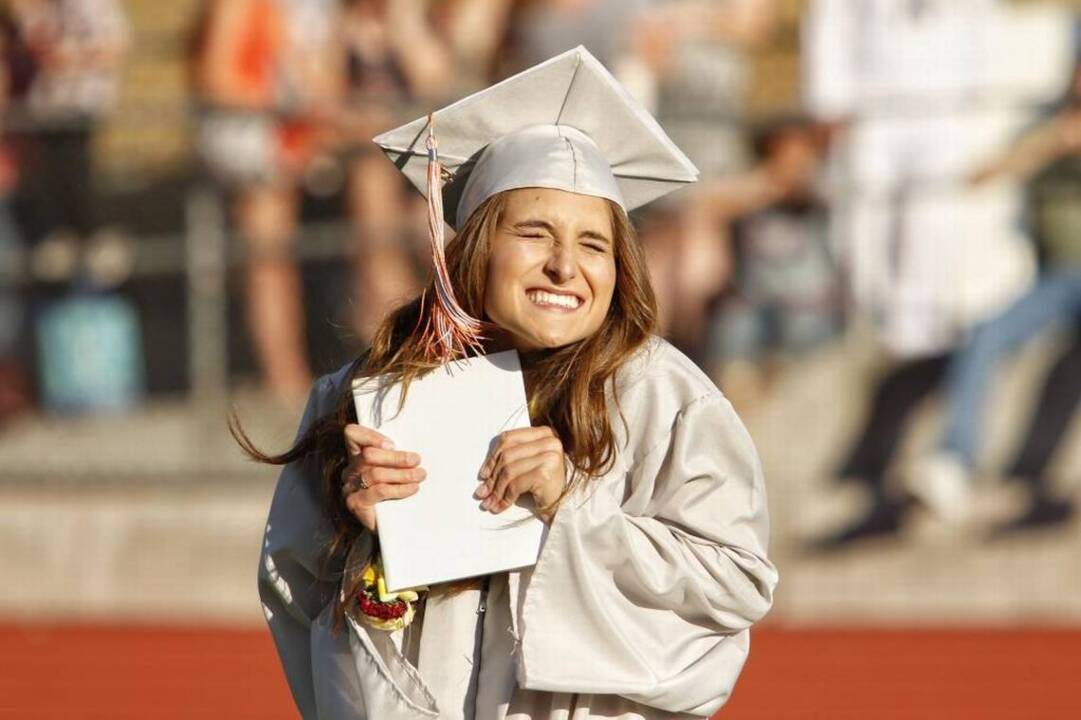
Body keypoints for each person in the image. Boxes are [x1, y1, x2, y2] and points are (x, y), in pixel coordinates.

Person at [242, 47, 777, 719]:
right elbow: (300, 602)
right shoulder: (379, 394)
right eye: (533, 234)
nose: (564, 266)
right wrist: (368, 541)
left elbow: (732, 586)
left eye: (593, 244)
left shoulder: (666, 401)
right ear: (475, 248)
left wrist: (573, 506)